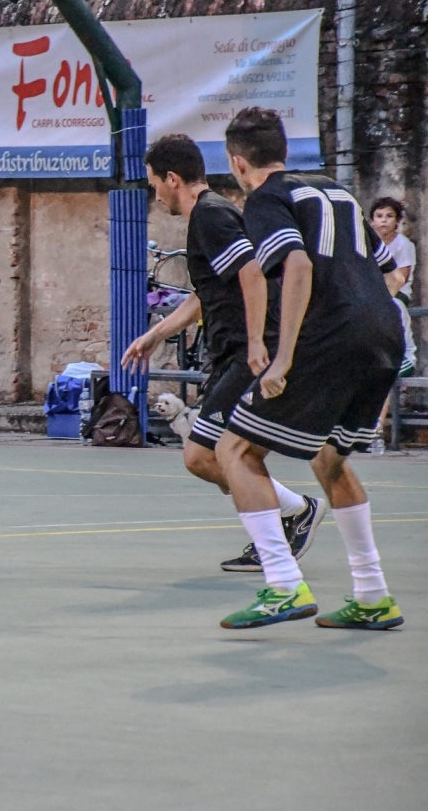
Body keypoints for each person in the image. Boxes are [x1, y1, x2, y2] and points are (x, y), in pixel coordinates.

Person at [215, 107, 404, 630]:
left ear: (238, 163)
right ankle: (373, 595)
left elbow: (296, 265)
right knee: (330, 459)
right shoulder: (336, 192)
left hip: (330, 334)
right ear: (284, 150)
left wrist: (284, 357)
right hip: (384, 331)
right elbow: (390, 273)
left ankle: (282, 585)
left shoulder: (265, 198)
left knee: (235, 451)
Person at [122, 135, 323, 572]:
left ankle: (294, 515)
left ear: (172, 179)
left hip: (249, 355)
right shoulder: (209, 216)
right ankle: (280, 530)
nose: (156, 196)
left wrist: (255, 343)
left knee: (204, 456)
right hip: (235, 354)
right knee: (225, 458)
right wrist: (157, 333)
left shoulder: (210, 214)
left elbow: (251, 273)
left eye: (154, 184)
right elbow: (207, 292)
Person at [368, 196, 417, 452]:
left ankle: (375, 431)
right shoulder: (368, 244)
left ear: (397, 221)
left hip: (400, 355)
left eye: (389, 216)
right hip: (373, 299)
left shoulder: (403, 246)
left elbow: (401, 278)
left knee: (384, 374)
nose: (383, 221)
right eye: (379, 216)